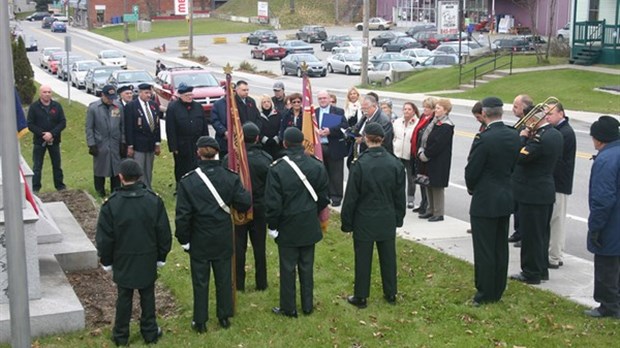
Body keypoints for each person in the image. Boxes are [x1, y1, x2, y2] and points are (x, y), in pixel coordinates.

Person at [175, 136, 251, 332]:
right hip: (223, 236)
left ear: (198, 153)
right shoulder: (230, 177)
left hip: (199, 237)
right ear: (217, 152)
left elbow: (183, 216)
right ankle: (224, 316)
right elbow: (244, 203)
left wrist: (184, 240)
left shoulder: (188, 181)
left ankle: (200, 321)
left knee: (200, 281)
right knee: (224, 278)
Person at [95, 159, 172, 346]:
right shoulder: (153, 201)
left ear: (120, 177)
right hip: (147, 255)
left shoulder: (111, 204)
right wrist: (161, 256)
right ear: (139, 176)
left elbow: (105, 238)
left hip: (123, 257)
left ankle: (121, 335)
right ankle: (150, 332)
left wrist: (106, 261)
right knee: (147, 295)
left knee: (124, 297)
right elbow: (163, 233)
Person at [265, 127, 329, 318]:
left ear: (284, 143)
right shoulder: (316, 165)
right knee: (307, 266)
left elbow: (273, 203)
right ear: (302, 143)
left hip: (287, 224)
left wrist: (273, 226)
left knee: (287, 268)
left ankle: (288, 307)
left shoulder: (277, 168)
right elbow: (323, 197)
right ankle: (307, 305)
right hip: (309, 221)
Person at [341, 122, 406, 309]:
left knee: (363, 258)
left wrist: (347, 222)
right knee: (388, 257)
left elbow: (351, 197)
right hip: (386, 216)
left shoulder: (360, 164)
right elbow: (399, 196)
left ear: (366, 139)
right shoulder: (395, 163)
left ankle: (361, 296)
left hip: (365, 218)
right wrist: (398, 217)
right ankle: (391, 292)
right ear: (383, 140)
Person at [465, 97, 520, 305]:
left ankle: (484, 292)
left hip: (485, 199)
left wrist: (472, 187)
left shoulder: (484, 138)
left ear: (485, 114)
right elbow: (514, 166)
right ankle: (497, 289)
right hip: (505, 196)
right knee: (499, 247)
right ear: (501, 113)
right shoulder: (513, 135)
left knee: (484, 248)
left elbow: (472, 171)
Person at [509, 109, 563, 285]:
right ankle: (541, 269)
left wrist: (523, 137)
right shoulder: (554, 133)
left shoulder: (539, 138)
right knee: (542, 234)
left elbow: (519, 157)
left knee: (531, 235)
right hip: (544, 190)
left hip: (532, 192)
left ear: (534, 119)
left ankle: (531, 272)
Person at [223, 123, 272, 292]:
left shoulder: (229, 159)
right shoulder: (266, 159)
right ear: (257, 137)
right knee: (259, 246)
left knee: (238, 247)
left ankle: (238, 283)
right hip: (259, 207)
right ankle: (261, 282)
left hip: (237, 208)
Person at [584, 116, 620, 319]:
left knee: (606, 265)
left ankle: (608, 305)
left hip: (611, 222)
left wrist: (595, 226)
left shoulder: (606, 159)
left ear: (599, 139)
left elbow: (603, 198)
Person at [545, 102, 576, 269]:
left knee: (556, 222)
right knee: (553, 221)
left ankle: (554, 256)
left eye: (550, 113)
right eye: (546, 113)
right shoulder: (558, 131)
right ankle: (556, 253)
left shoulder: (565, 132)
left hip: (559, 183)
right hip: (555, 182)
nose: (547, 116)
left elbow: (556, 160)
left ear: (561, 114)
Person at [417, 98, 455, 222]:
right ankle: (430, 210)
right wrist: (422, 150)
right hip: (429, 158)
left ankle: (438, 212)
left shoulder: (446, 126)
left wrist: (426, 154)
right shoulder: (434, 122)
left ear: (446, 111)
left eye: (439, 108)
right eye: (436, 108)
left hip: (439, 160)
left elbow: (438, 144)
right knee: (429, 183)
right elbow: (426, 138)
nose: (436, 110)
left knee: (437, 186)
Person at [85, 84, 125, 197]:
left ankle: (116, 191)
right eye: (108, 98)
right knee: (100, 168)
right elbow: (89, 128)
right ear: (102, 95)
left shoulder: (118, 107)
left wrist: (123, 141)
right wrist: (91, 144)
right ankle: (100, 191)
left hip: (115, 143)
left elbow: (122, 126)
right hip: (100, 143)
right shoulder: (94, 108)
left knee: (116, 168)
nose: (110, 100)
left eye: (112, 98)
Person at [165, 83, 209, 184]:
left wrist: (206, 142)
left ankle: (197, 184)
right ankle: (181, 186)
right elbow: (170, 129)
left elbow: (204, 126)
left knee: (197, 165)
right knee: (182, 166)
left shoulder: (198, 107)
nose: (190, 97)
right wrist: (173, 147)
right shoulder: (173, 108)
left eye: (191, 95)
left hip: (197, 143)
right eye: (187, 95)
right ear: (180, 96)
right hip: (182, 144)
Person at [27, 85, 67, 193]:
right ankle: (35, 188)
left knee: (57, 165)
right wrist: (42, 134)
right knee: (37, 165)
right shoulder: (34, 107)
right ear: (40, 93)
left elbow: (62, 122)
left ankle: (60, 186)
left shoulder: (57, 106)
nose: (47, 94)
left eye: (49, 92)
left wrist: (52, 134)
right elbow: (30, 124)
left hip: (54, 140)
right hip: (39, 141)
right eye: (45, 92)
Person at [124, 83, 162, 188]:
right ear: (140, 93)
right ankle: (139, 188)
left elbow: (157, 125)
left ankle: (148, 188)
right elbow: (129, 127)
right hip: (138, 144)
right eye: (146, 93)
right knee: (139, 168)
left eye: (150, 93)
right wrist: (130, 145)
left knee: (149, 169)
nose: (149, 95)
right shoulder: (131, 106)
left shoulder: (154, 105)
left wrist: (157, 143)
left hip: (150, 144)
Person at [315, 90, 348, 207]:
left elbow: (344, 126)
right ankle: (326, 195)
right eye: (320, 98)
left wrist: (330, 131)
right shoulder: (315, 112)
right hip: (320, 146)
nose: (322, 100)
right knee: (323, 172)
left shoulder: (338, 111)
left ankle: (336, 197)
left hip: (334, 145)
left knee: (336, 173)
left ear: (329, 99)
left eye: (324, 98)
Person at [509, 94, 534, 245]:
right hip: (516, 173)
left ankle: (523, 234)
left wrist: (522, 137)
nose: (513, 109)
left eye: (516, 106)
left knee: (523, 208)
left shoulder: (529, 124)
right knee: (516, 205)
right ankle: (518, 231)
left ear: (524, 108)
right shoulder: (521, 122)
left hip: (525, 173)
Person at [410, 97, 437, 215]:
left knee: (425, 180)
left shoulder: (432, 120)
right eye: (424, 107)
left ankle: (427, 205)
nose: (425, 109)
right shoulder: (422, 117)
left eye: (428, 107)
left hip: (424, 152)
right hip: (417, 151)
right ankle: (423, 203)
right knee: (420, 179)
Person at [393, 101, 419, 209]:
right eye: (405, 109)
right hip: (397, 153)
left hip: (410, 155)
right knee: (397, 177)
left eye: (409, 109)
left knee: (411, 178)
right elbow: (393, 135)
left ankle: (410, 199)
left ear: (414, 111)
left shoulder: (417, 123)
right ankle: (397, 198)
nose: (406, 111)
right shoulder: (397, 122)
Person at [258, 94, 283, 159]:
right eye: (264, 102)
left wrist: (276, 138)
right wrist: (264, 139)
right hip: (263, 145)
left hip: (276, 144)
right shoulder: (258, 115)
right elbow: (257, 129)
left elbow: (281, 127)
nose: (266, 104)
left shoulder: (278, 114)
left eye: (268, 101)